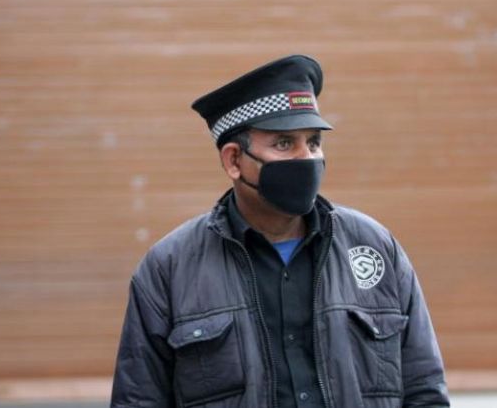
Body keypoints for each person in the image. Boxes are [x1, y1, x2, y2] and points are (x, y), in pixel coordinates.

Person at [111, 55, 449, 408]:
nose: (307, 158)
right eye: (284, 144)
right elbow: (138, 401)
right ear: (233, 160)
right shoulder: (170, 268)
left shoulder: (375, 247)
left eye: (313, 142)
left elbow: (425, 392)